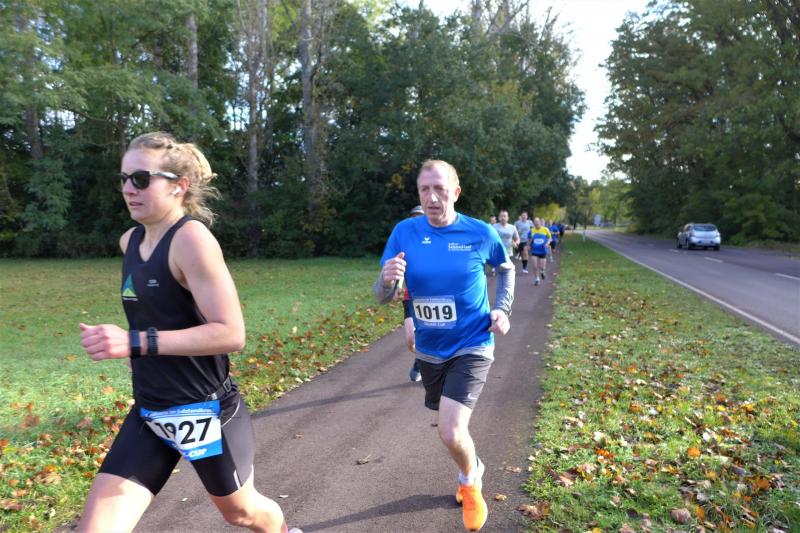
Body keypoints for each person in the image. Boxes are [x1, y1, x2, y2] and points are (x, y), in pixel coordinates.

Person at [78, 132, 301, 533]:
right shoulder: (130, 241)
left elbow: (231, 333)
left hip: (204, 410)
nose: (128, 188)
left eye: (141, 179)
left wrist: (135, 342)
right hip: (150, 412)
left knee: (242, 513)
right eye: (124, 178)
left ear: (179, 186)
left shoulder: (192, 240)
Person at [374, 160, 514, 532]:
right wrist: (386, 282)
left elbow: (506, 269)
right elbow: (383, 294)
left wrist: (502, 308)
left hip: (473, 342)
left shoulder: (480, 232)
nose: (432, 197)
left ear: (455, 192)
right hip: (429, 348)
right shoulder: (404, 232)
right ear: (419, 194)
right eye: (425, 190)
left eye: (439, 189)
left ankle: (470, 483)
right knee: (448, 427)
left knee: (450, 430)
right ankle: (474, 465)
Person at [403, 205, 426, 382]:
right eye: (414, 217)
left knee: (431, 333)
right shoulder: (405, 241)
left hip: (432, 296)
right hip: (410, 295)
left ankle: (422, 363)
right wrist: (395, 286)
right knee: (411, 339)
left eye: (420, 217)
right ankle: (420, 359)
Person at [528, 217, 551, 286]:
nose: (536, 223)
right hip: (534, 251)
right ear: (533, 223)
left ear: (540, 222)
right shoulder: (531, 231)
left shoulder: (545, 229)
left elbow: (550, 238)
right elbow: (529, 240)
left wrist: (547, 243)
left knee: (542, 267)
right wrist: (528, 246)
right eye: (535, 222)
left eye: (537, 221)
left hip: (543, 250)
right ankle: (537, 279)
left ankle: (542, 271)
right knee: (535, 266)